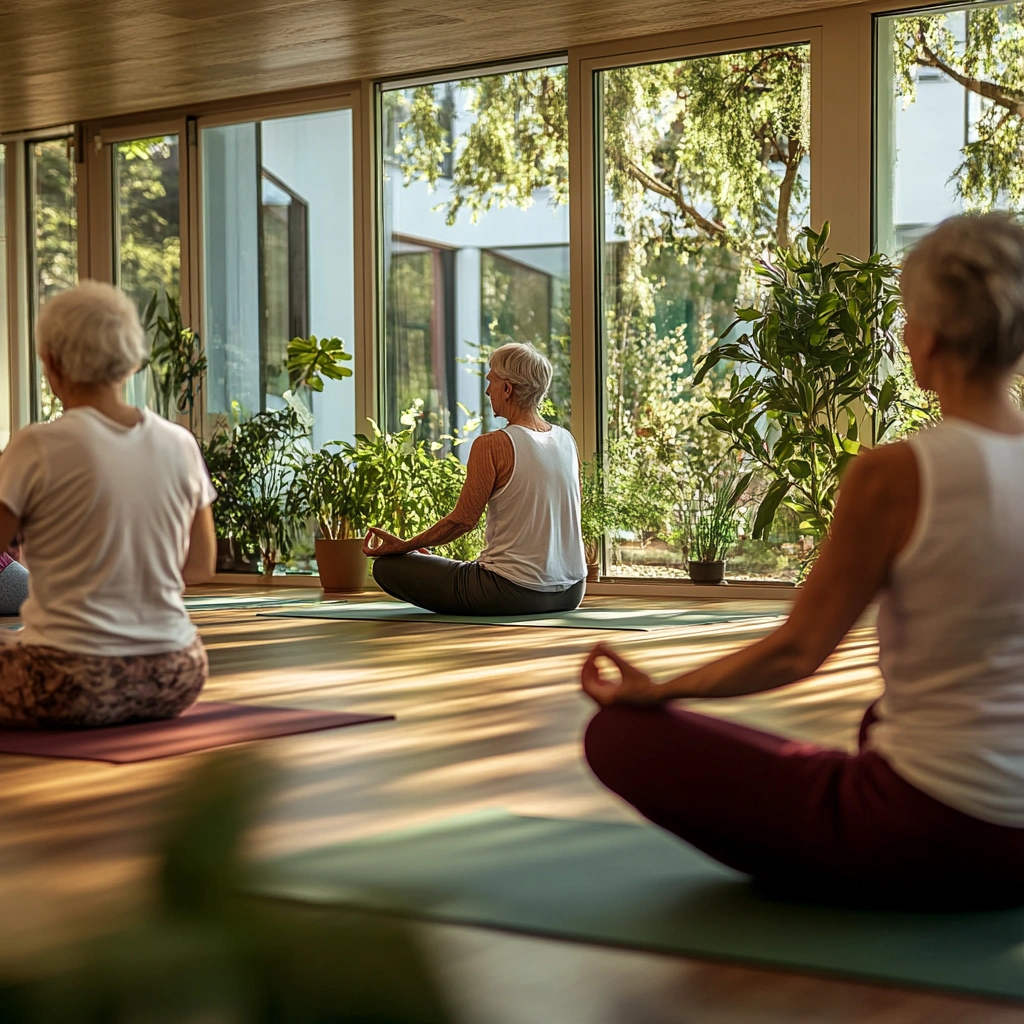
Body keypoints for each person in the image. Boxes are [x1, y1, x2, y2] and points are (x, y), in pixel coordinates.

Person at [582, 213, 1024, 910]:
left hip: (930, 828)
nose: (903, 334)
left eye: (907, 319)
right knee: (881, 717)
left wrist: (660, 690)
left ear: (930, 339)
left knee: (618, 736)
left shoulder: (895, 474)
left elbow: (797, 652)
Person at [0, 281, 217, 728]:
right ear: (132, 359)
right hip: (175, 673)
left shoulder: (36, 445)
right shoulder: (180, 443)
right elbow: (199, 568)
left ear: (51, 362)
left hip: (67, 680)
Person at [364, 343, 586, 616]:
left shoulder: (493, 444)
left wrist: (404, 546)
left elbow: (463, 521)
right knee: (443, 565)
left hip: (510, 591)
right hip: (572, 592)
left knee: (387, 567)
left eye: (491, 380)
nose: (487, 390)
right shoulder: (566, 440)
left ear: (507, 389)